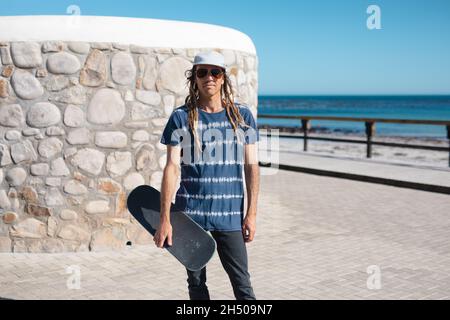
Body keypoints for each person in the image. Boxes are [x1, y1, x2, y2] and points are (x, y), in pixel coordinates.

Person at [155, 51, 260, 300]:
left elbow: (252, 167)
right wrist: (165, 219)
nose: (209, 77)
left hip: (230, 215)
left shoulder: (241, 117)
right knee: (196, 284)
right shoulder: (181, 117)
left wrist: (252, 214)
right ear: (195, 79)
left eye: (215, 72)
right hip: (191, 214)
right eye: (202, 72)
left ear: (223, 78)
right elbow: (171, 167)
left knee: (242, 285)